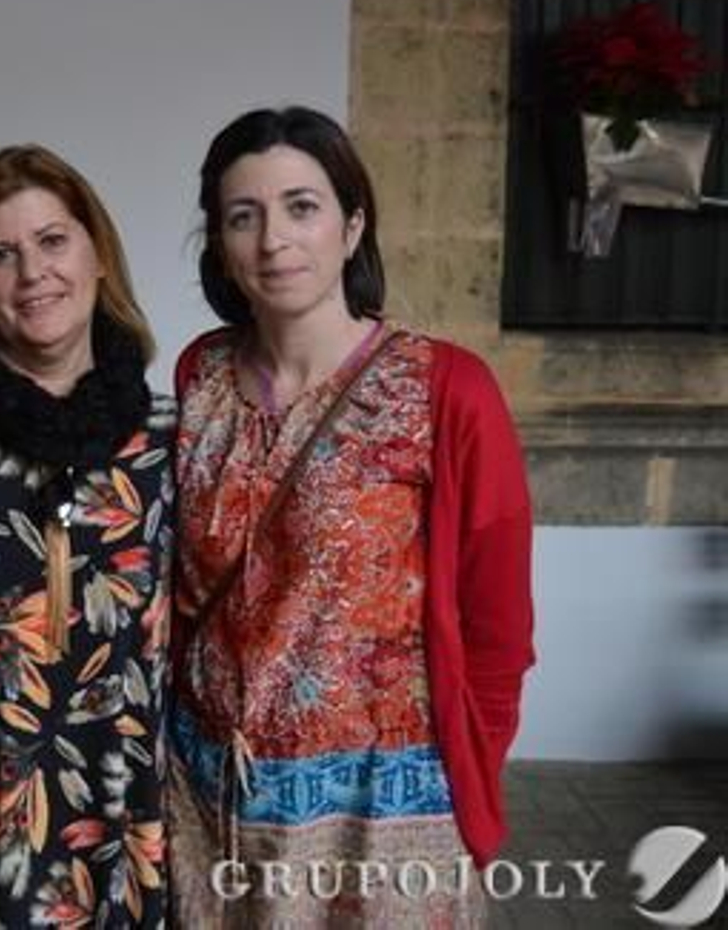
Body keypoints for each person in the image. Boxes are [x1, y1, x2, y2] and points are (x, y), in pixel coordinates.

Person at [165, 106, 535, 926]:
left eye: (302, 206)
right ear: (220, 242)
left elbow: (499, 628)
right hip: (206, 799)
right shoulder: (202, 374)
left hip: (382, 810)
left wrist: (466, 781)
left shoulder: (447, 390)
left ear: (352, 222)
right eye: (243, 215)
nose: (274, 240)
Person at [0, 144, 175, 927]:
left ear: (98, 254)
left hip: (119, 825)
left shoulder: (165, 437)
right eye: (1, 254)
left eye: (53, 241)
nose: (33, 274)